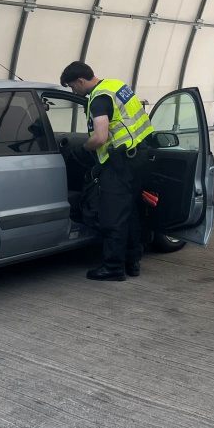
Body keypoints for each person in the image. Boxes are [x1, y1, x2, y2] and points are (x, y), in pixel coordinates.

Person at [59, 61, 153, 281]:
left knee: (114, 216)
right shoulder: (116, 86)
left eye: (72, 87)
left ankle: (113, 267)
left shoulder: (99, 99)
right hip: (138, 156)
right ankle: (132, 262)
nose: (73, 91)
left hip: (119, 163)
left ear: (80, 81)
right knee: (130, 212)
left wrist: (83, 149)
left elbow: (100, 137)